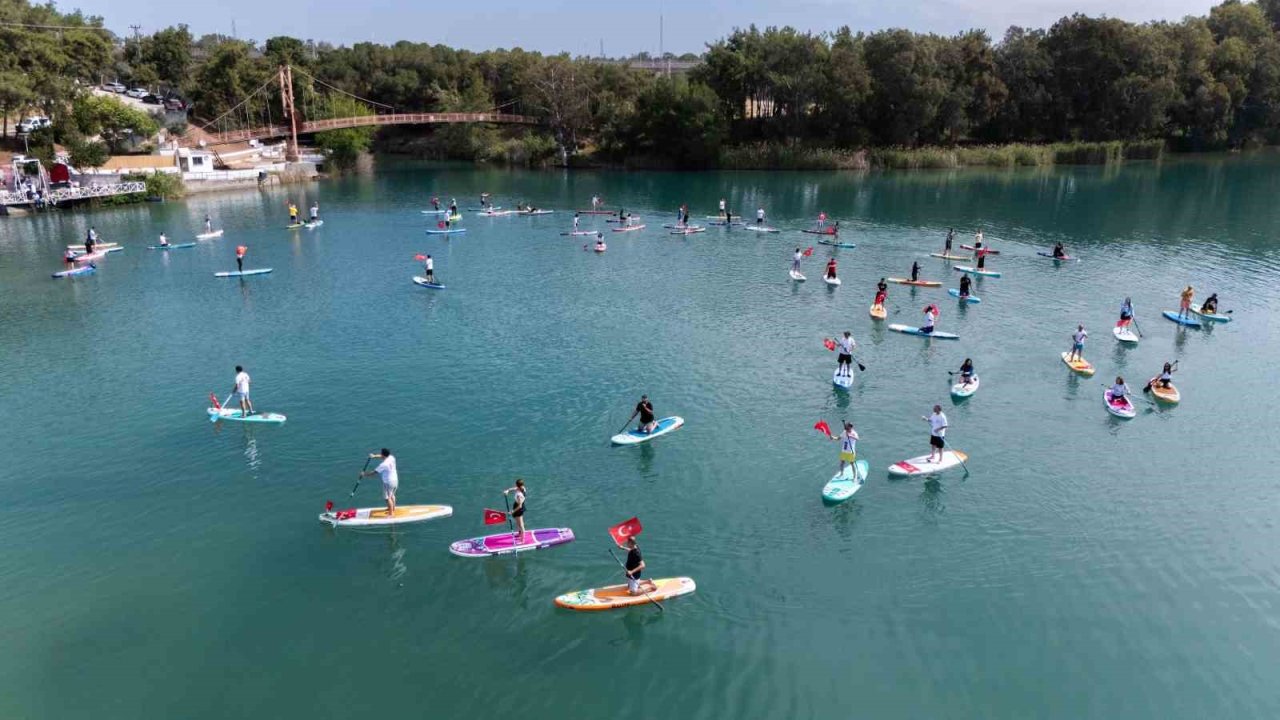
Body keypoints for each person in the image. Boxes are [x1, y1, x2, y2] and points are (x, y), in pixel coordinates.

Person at [359, 448, 398, 516]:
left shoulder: (383, 465)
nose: (380, 455)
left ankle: (391, 514)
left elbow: (374, 473)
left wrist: (364, 474)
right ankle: (392, 508)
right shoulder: (392, 457)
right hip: (395, 480)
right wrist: (374, 456)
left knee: (387, 498)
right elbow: (381, 456)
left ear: (383, 455)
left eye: (381, 454)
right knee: (392, 495)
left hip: (388, 482)